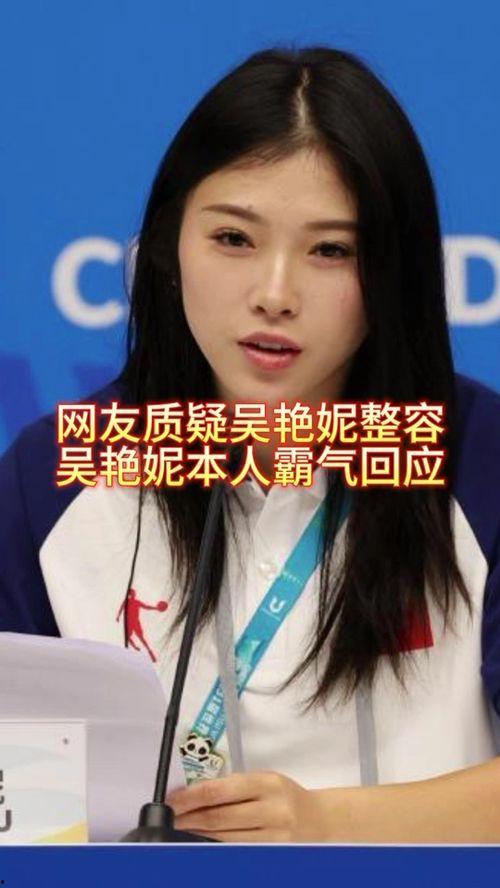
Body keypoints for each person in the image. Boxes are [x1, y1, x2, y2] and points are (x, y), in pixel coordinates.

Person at [1, 45, 500, 843]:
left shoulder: (480, 457)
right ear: (167, 247)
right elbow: (19, 797)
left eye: (331, 250)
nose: (275, 294)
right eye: (234, 238)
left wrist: (327, 825)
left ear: (394, 272)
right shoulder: (62, 469)